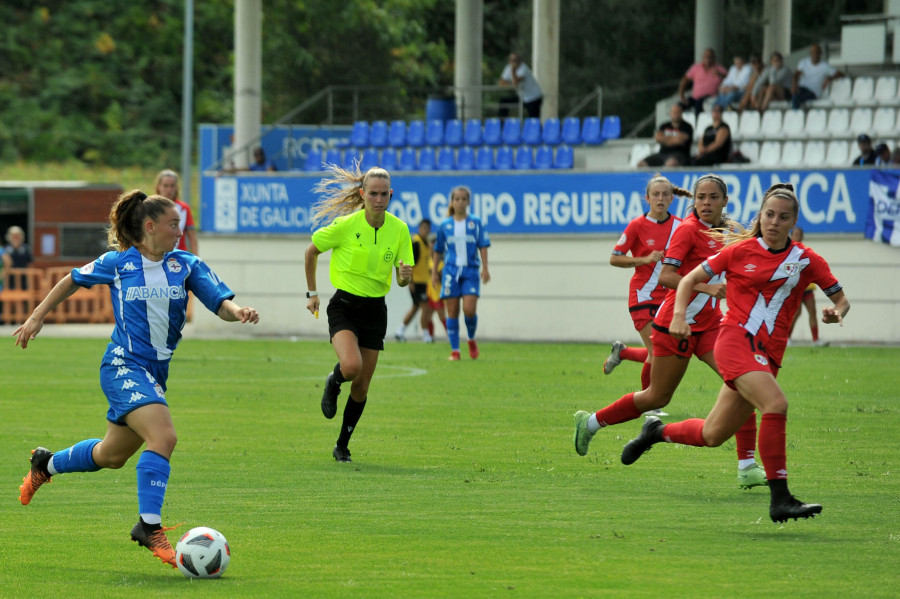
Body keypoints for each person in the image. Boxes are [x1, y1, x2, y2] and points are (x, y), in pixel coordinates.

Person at [15, 190, 259, 568]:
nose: (179, 230)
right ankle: (149, 526)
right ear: (150, 226)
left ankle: (45, 465)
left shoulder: (187, 265)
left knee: (111, 456)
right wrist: (37, 315)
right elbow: (72, 279)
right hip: (123, 365)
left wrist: (238, 311)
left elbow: (220, 304)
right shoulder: (119, 263)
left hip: (155, 373)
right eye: (173, 224)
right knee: (164, 437)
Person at [619, 183, 849, 523]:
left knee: (713, 434)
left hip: (767, 356)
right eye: (768, 215)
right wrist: (680, 315)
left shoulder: (805, 260)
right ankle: (780, 497)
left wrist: (838, 313)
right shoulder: (739, 251)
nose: (773, 222)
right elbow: (685, 280)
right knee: (776, 405)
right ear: (761, 216)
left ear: (793, 222)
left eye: (782, 217)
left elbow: (841, 298)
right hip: (734, 341)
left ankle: (656, 432)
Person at [574, 174, 765, 490]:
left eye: (713, 197)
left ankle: (747, 466)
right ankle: (590, 422)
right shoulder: (686, 231)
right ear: (694, 201)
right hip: (672, 324)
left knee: (743, 383)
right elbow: (666, 276)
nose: (706, 203)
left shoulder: (730, 232)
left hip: (710, 326)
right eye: (701, 197)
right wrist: (708, 287)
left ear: (724, 202)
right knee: (657, 396)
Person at [305, 166, 414, 463]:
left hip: (375, 310)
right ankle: (333, 381)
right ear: (362, 194)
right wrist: (312, 293)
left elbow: (402, 280)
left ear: (391, 195)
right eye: (373, 193)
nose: (379, 199)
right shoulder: (345, 225)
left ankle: (342, 445)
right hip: (344, 305)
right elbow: (311, 251)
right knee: (350, 366)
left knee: (362, 385)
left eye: (384, 194)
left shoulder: (400, 230)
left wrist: (404, 276)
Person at [603, 174, 688, 402]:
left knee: (666, 350)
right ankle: (649, 403)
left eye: (665, 194)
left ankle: (624, 352)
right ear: (647, 198)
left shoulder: (681, 226)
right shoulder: (637, 226)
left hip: (668, 298)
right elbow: (614, 258)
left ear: (672, 198)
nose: (660, 198)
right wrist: (644, 259)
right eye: (655, 194)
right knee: (656, 352)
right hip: (642, 296)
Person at [431, 185, 491, 361]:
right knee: (453, 311)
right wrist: (435, 272)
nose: (460, 202)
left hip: (471, 270)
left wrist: (485, 268)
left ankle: (471, 339)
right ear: (452, 202)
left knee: (469, 310)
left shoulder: (475, 222)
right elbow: (438, 249)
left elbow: (483, 245)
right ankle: (455, 350)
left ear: (468, 202)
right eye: (457, 199)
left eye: (464, 199)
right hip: (450, 271)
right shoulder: (445, 225)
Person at [395, 219, 434, 342]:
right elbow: (410, 262)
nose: (425, 230)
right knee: (426, 307)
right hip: (417, 282)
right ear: (419, 228)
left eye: (427, 228)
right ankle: (426, 335)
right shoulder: (416, 243)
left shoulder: (427, 244)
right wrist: (410, 281)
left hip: (424, 282)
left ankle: (400, 331)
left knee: (416, 307)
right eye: (423, 228)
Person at [787, 227, 824, 346]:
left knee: (813, 311)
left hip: (807, 287)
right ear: (792, 236)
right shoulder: (787, 251)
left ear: (802, 237)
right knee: (796, 313)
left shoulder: (805, 251)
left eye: (799, 234)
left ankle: (815, 339)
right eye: (795, 234)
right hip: (795, 288)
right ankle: (787, 338)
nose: (797, 236)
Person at [154, 169, 198, 255]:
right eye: (165, 186)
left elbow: (192, 236)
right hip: (156, 255)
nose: (169, 190)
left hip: (178, 256)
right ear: (159, 186)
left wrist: (196, 258)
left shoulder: (184, 208)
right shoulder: (150, 207)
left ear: (177, 187)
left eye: (172, 186)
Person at [791, 43, 844, 110]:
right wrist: (794, 85)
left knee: (796, 98)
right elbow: (796, 75)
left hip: (813, 92)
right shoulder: (804, 62)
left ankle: (796, 116)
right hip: (802, 89)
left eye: (817, 52)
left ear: (820, 53)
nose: (815, 54)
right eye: (813, 52)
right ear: (810, 54)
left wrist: (829, 78)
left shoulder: (825, 66)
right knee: (790, 95)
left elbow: (841, 74)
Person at [678, 48, 727, 117]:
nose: (708, 59)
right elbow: (685, 80)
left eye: (710, 57)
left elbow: (729, 79)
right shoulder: (696, 67)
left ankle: (698, 124)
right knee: (678, 107)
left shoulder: (719, 68)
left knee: (698, 104)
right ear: (703, 57)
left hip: (711, 97)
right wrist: (682, 94)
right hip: (695, 97)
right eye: (706, 56)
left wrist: (719, 74)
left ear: (714, 58)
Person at [498, 52, 544, 119]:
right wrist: (511, 84)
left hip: (534, 97)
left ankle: (536, 128)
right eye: (512, 60)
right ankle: (502, 123)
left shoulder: (524, 68)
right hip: (523, 97)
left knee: (533, 118)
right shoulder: (508, 68)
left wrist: (513, 71)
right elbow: (501, 82)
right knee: (504, 101)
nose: (514, 62)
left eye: (516, 60)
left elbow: (516, 82)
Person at [2, 225, 34, 290]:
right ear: (9, 237)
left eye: (17, 236)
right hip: (9, 280)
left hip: (23, 280)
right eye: (14, 236)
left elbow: (30, 265)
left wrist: (30, 282)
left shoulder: (26, 248)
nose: (16, 238)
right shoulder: (5, 249)